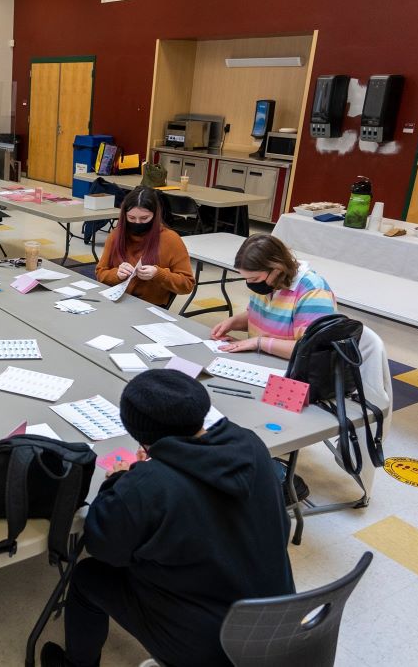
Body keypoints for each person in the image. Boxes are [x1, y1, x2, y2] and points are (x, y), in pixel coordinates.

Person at [41, 370, 295, 667]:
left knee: (87, 575)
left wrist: (122, 479)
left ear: (135, 431)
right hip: (279, 618)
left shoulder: (146, 486)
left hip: (211, 648)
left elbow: (103, 547)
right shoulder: (250, 444)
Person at [211, 233, 337, 358]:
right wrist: (233, 323)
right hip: (261, 359)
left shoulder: (313, 291)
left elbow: (314, 348)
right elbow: (263, 317)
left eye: (254, 279)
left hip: (293, 370)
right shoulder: (268, 283)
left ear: (277, 269)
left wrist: (259, 342)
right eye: (246, 278)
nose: (250, 284)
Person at [95, 186, 195, 307]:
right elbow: (100, 273)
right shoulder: (117, 235)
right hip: (117, 300)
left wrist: (158, 274)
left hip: (150, 306)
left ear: (155, 215)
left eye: (144, 218)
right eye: (131, 218)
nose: (137, 223)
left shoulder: (170, 240)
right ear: (124, 215)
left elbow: (187, 285)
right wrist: (116, 275)